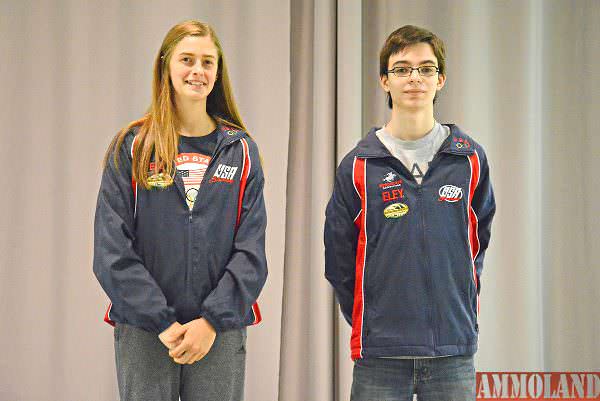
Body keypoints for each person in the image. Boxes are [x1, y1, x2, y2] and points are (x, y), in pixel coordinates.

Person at [93, 20, 267, 401]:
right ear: (165, 66)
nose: (197, 71)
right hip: (145, 331)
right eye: (187, 59)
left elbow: (251, 252)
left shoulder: (241, 152)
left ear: (218, 72)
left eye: (208, 62)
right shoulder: (133, 146)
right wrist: (161, 321)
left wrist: (210, 322)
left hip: (218, 332)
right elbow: (111, 250)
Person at [324, 25, 495, 401]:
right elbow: (338, 259)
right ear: (384, 81)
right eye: (401, 69)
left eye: (426, 68)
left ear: (441, 79)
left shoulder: (469, 159)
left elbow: (476, 245)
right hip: (381, 356)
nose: (414, 78)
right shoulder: (357, 166)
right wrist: (374, 319)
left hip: (453, 351)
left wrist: (458, 301)